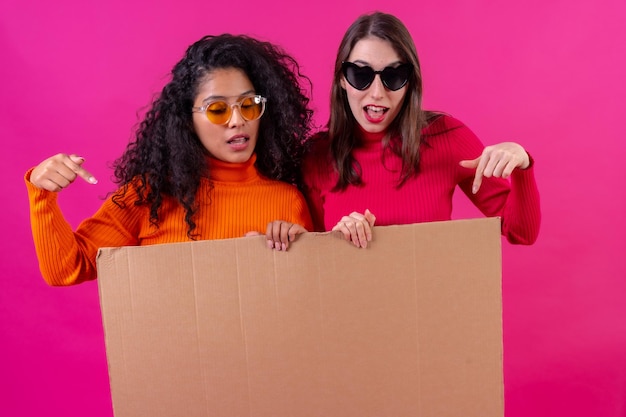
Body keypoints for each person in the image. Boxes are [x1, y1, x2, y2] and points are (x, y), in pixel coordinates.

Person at [26, 34, 314, 286]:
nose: (238, 121)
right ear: (188, 121)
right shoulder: (148, 197)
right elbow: (65, 269)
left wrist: (301, 256)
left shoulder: (288, 202)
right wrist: (42, 195)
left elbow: (306, 303)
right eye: (217, 109)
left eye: (249, 105)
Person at [267, 11, 540, 249]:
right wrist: (335, 242)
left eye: (393, 76)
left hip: (429, 304)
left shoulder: (447, 138)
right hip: (353, 305)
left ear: (410, 82)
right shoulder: (316, 156)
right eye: (360, 75)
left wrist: (522, 164)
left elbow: (522, 232)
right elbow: (313, 265)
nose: (377, 93)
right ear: (342, 79)